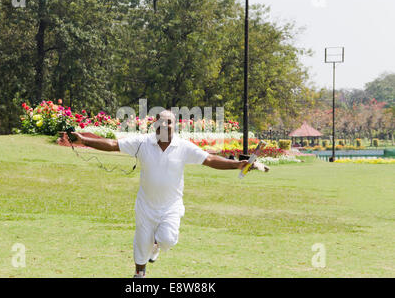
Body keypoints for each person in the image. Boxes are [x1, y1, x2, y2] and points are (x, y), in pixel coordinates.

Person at [71, 110, 269, 277]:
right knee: (141, 246)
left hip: (170, 207)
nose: (164, 127)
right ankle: (139, 274)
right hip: (146, 206)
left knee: (167, 239)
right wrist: (84, 140)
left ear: (174, 126)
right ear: (154, 125)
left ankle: (156, 245)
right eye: (160, 123)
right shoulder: (142, 142)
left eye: (169, 124)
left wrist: (237, 165)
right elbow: (114, 145)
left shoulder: (183, 147)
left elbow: (209, 159)